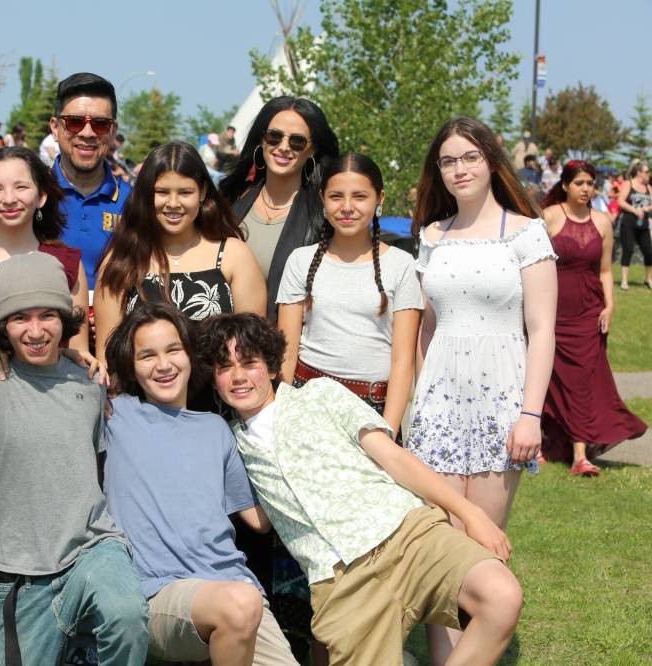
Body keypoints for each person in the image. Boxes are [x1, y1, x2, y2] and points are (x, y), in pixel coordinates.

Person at [197, 313, 523, 666]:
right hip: (341, 585)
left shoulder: (320, 395)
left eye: (249, 363)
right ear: (214, 382)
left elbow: (394, 459)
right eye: (225, 368)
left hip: (406, 534)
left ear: (273, 368)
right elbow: (259, 520)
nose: (239, 376)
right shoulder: (228, 442)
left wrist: (470, 513)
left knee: (501, 596)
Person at [407, 117, 556, 664]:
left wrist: (530, 414)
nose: (459, 169)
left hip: (502, 408)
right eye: (448, 160)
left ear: (490, 161)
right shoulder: (430, 237)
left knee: (484, 545)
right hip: (438, 407)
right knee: (441, 548)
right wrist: (416, 408)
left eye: (469, 157)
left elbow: (542, 329)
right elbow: (423, 330)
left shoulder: (525, 233)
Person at [0, 252, 148, 666]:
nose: (37, 330)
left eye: (49, 316)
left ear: (66, 320)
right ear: (3, 325)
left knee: (127, 614)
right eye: (21, 317)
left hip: (92, 547)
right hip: (20, 573)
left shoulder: (88, 382)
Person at [102, 302, 298, 665]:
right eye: (147, 355)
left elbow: (259, 519)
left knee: (242, 603)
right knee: (238, 605)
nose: (163, 365)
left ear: (191, 356)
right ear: (130, 364)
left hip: (234, 587)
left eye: (173, 350)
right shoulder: (116, 414)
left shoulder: (216, 429)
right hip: (159, 590)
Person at [276, 153, 422, 437]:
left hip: (373, 409)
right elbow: (287, 350)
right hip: (308, 402)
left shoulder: (402, 265)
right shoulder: (300, 261)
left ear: (379, 198)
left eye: (359, 197)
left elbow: (403, 361)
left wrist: (388, 431)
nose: (346, 207)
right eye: (336, 196)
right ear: (322, 198)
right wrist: (283, 412)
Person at [94, 141, 266, 361]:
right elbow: (107, 356)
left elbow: (253, 351)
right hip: (140, 394)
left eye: (185, 192)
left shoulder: (234, 255)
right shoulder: (123, 259)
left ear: (202, 192)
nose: (173, 203)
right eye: (162, 192)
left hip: (217, 393)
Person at [539, 161, 648, 474]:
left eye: (590, 183)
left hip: (589, 312)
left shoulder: (603, 221)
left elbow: (605, 271)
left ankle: (580, 455)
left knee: (584, 382)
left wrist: (610, 306)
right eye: (580, 183)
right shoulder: (549, 217)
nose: (586, 189)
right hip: (553, 310)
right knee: (548, 378)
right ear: (565, 186)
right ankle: (543, 442)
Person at [0, 145, 90, 367]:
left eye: (21, 187)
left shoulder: (67, 263)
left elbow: (78, 353)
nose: (9, 199)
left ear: (41, 196)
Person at [220, 96, 340, 320]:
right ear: (262, 141)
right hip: (220, 343)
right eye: (274, 137)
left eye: (297, 142)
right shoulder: (230, 201)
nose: (283, 148)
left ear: (312, 150)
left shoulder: (325, 215)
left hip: (289, 345)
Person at [49, 72, 132, 289]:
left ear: (113, 131)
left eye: (100, 124)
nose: (87, 133)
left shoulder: (135, 203)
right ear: (55, 128)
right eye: (74, 122)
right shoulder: (30, 197)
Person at [616, 160, 652, 289]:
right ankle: (624, 281)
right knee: (628, 250)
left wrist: (647, 209)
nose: (649, 174)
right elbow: (620, 201)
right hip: (629, 223)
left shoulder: (648, 187)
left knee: (649, 251)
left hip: (643, 225)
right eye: (647, 172)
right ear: (639, 172)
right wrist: (635, 210)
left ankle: (648, 279)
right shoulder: (628, 184)